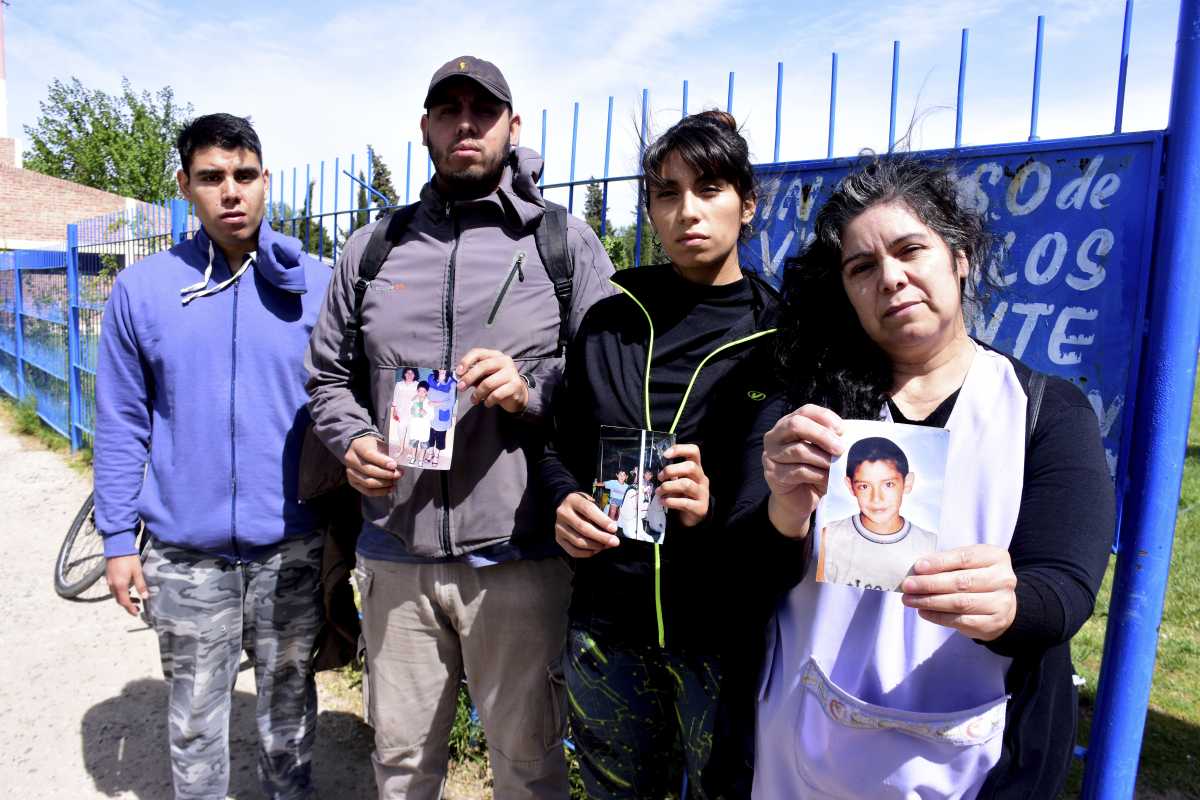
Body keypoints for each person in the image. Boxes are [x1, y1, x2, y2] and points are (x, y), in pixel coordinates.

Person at [753, 157, 1114, 799]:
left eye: (910, 249)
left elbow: (1065, 588)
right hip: (809, 745)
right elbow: (744, 581)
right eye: (862, 268)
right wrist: (782, 516)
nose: (891, 278)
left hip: (977, 750)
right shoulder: (811, 412)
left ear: (960, 257)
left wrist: (1012, 605)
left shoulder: (1045, 410)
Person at [305, 55, 615, 799]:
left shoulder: (560, 245)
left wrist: (531, 388)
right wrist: (353, 441)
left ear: (514, 125)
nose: (466, 124)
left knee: (528, 766)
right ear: (425, 129)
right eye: (449, 110)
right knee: (403, 768)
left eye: (484, 110)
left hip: (521, 559)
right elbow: (326, 378)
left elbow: (611, 385)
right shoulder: (374, 248)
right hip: (394, 555)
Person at [541, 110, 803, 799]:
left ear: (747, 204)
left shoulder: (779, 339)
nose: (687, 210)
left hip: (720, 641)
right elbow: (556, 446)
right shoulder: (611, 320)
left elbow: (792, 514)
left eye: (709, 188)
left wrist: (715, 510)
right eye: (666, 192)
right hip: (607, 631)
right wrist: (563, 500)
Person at [95, 113, 330, 800]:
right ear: (185, 187)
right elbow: (121, 421)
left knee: (288, 716)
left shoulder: (313, 283)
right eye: (212, 178)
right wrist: (117, 539)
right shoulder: (144, 291)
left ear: (265, 181)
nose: (231, 192)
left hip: (291, 546)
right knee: (195, 722)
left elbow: (352, 401)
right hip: (185, 553)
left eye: (245, 175)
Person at [817, 435, 937, 590]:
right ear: (850, 486)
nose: (877, 499)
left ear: (907, 483)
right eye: (864, 486)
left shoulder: (930, 544)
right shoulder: (829, 537)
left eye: (888, 484)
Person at [424, 368, 457, 466]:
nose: (442, 369)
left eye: (445, 368)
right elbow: (425, 393)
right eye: (440, 367)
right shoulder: (431, 378)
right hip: (429, 413)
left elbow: (451, 402)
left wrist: (437, 404)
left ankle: (436, 456)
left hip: (442, 415)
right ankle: (430, 454)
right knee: (429, 436)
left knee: (440, 437)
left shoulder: (452, 383)